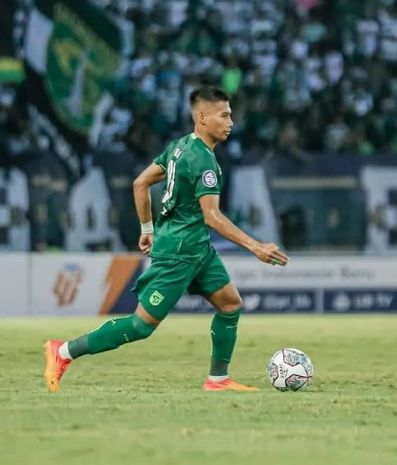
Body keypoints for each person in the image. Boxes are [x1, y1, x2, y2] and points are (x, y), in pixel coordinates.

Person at [43, 86, 289, 393]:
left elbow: (140, 183)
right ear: (202, 117)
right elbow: (213, 216)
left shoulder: (179, 147)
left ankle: (217, 379)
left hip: (196, 247)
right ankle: (62, 351)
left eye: (231, 115)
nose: (231, 123)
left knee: (230, 304)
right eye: (224, 115)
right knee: (140, 326)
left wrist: (147, 229)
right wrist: (256, 246)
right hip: (179, 252)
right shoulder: (204, 162)